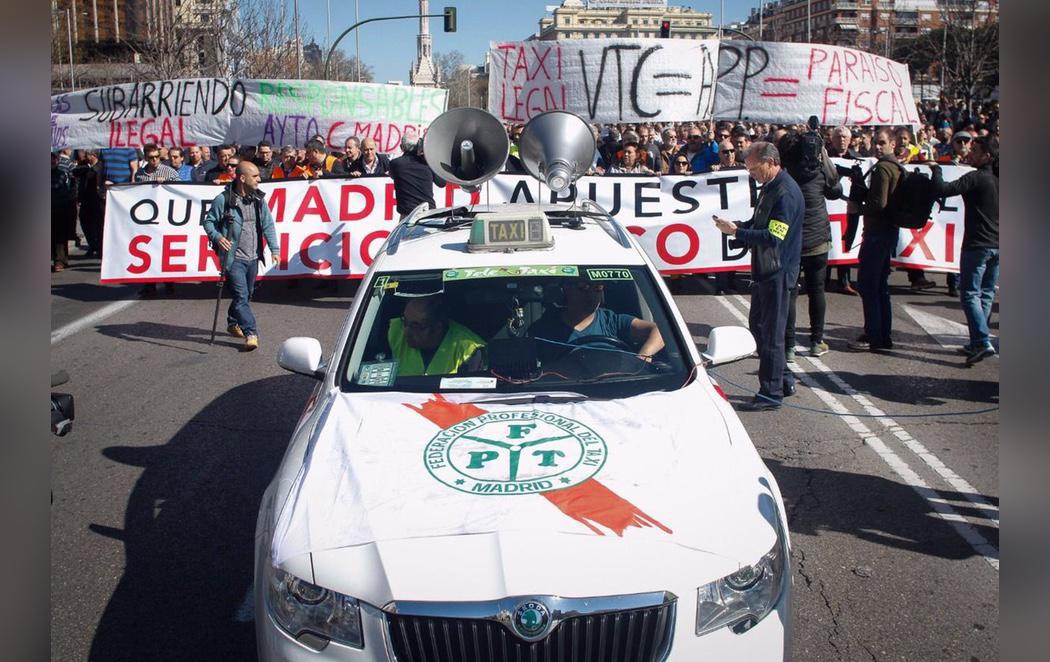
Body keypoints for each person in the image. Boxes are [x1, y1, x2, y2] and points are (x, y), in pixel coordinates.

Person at [714, 141, 804, 411]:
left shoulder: (785, 192)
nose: (751, 173)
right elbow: (760, 223)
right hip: (765, 271)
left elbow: (774, 236)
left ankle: (771, 392)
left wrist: (737, 233)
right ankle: (784, 378)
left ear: (771, 162)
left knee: (772, 335)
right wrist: (739, 227)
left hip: (778, 272)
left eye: (754, 168)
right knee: (760, 330)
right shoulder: (770, 187)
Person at [930, 136, 999, 365]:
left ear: (987, 156)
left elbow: (943, 189)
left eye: (976, 149)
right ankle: (977, 341)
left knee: (970, 293)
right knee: (986, 293)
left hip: (977, 244)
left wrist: (936, 170)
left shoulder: (977, 178)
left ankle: (980, 340)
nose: (970, 152)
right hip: (998, 245)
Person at [201, 162, 280, 351]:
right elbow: (208, 223)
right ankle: (251, 333)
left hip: (253, 257)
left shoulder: (259, 199)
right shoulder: (223, 200)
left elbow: (268, 225)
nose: (259, 179)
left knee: (246, 294)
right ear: (242, 178)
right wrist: (218, 237)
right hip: (233, 258)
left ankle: (232, 322)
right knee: (241, 295)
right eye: (255, 176)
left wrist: (274, 249)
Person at [780, 130, 842, 360]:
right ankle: (817, 341)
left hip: (792, 243)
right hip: (817, 242)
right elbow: (836, 191)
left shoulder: (785, 175)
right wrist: (824, 158)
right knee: (816, 291)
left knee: (791, 293)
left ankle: (789, 347)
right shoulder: (818, 173)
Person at [848, 129, 901, 352]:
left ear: (892, 144)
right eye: (876, 143)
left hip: (877, 234)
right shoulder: (896, 166)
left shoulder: (883, 169)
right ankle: (882, 334)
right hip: (887, 233)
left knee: (869, 286)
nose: (878, 147)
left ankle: (874, 335)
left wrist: (858, 207)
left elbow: (878, 204)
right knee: (880, 287)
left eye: (882, 143)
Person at [528, 278, 664, 363]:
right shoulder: (543, 329)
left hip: (616, 388)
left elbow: (661, 330)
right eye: (583, 288)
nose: (591, 296)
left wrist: (643, 358)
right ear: (566, 290)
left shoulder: (612, 321)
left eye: (597, 289)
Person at [387, 295, 486, 376]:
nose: (406, 331)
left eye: (415, 326)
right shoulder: (392, 331)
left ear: (438, 327)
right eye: (405, 322)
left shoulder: (470, 350)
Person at [825, 125, 862, 296]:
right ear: (832, 140)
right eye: (838, 137)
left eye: (845, 137)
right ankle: (823, 280)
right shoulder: (824, 157)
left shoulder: (857, 159)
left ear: (850, 140)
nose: (842, 140)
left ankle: (844, 281)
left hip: (847, 208)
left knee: (844, 242)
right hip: (827, 207)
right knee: (827, 243)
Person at [388, 132, 446, 220]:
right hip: (429, 213)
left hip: (407, 216)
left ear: (402, 147)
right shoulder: (428, 163)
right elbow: (442, 183)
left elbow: (392, 176)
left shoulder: (395, 164)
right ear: (420, 145)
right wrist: (431, 158)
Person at [51, 152, 77, 272]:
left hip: (60, 207)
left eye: (53, 161)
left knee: (59, 237)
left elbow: (56, 185)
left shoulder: (60, 173)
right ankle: (62, 259)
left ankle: (60, 261)